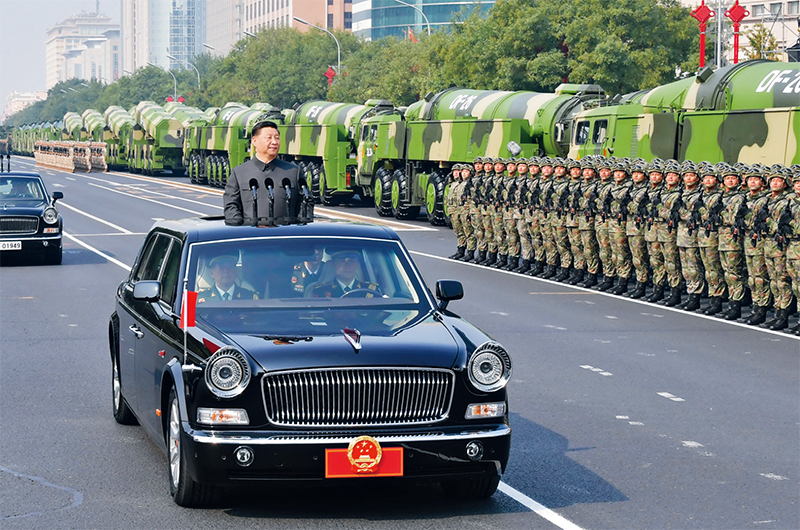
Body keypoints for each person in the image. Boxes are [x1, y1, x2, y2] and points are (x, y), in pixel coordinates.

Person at [224, 120, 301, 225]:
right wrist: (241, 228)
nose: (274, 142)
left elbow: (305, 204)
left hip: (286, 233)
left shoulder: (293, 172)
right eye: (269, 138)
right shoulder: (239, 173)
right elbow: (231, 206)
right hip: (251, 233)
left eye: (277, 138)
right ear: (254, 141)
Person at [309, 250, 381, 298]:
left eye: (352, 260)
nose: (348, 265)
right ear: (333, 264)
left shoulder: (371, 290)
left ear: (357, 263)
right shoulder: (321, 292)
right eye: (342, 260)